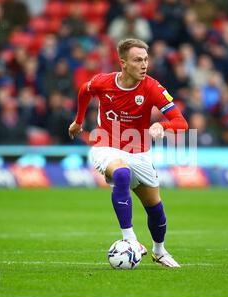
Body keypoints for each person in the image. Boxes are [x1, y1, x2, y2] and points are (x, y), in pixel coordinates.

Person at [68, 38, 188, 267]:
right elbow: (84, 90)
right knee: (121, 174)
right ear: (123, 63)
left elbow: (181, 122)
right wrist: (78, 121)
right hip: (106, 146)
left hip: (140, 152)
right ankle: (130, 239)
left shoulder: (152, 87)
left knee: (155, 209)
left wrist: (161, 126)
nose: (144, 65)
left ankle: (159, 251)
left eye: (145, 59)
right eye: (137, 60)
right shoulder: (104, 82)